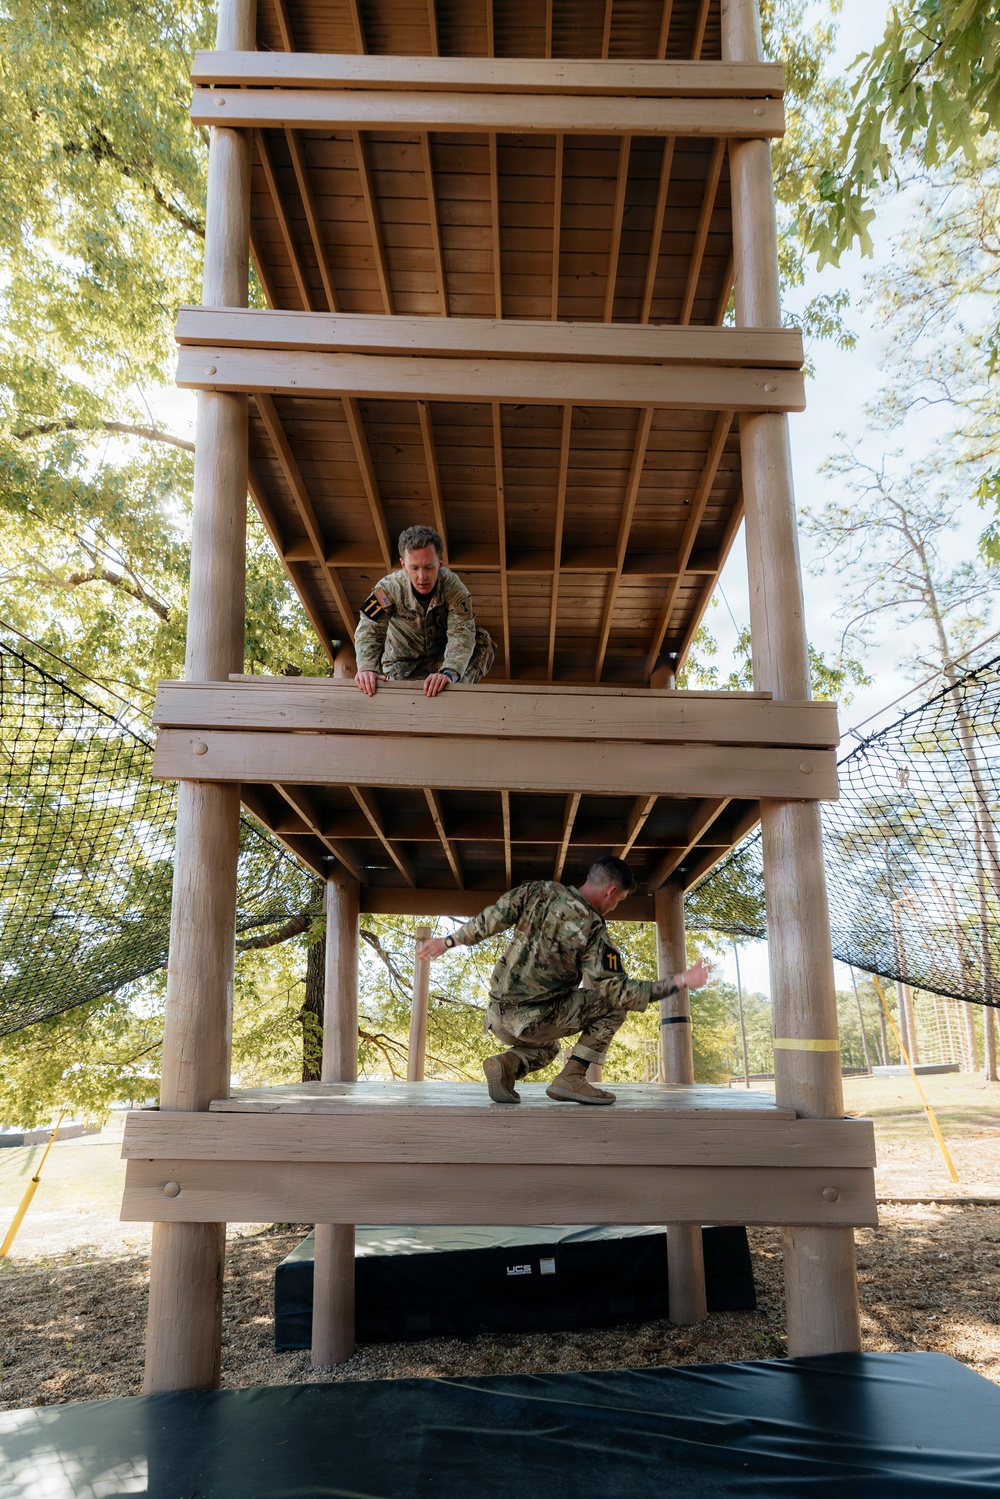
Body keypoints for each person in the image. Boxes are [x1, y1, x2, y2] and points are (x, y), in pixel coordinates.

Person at [416, 855, 711, 1105]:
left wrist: (448, 941)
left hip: (496, 1017)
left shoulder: (537, 890)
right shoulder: (594, 930)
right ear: (611, 891)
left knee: (550, 1047)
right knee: (613, 1005)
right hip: (534, 1020)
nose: (615, 906)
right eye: (619, 899)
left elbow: (491, 918)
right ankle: (572, 1076)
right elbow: (619, 993)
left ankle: (507, 1064)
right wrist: (683, 980)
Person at [354, 524, 494, 698]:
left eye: (429, 567)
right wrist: (367, 668)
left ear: (440, 563)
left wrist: (449, 672)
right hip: (401, 667)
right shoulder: (387, 590)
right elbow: (369, 628)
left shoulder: (453, 588)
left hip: (441, 664)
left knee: (482, 640)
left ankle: (451, 695)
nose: (422, 577)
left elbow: (462, 632)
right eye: (414, 568)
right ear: (403, 565)